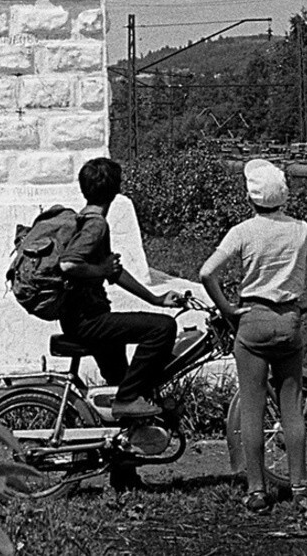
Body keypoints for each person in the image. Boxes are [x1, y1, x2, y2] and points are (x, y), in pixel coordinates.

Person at [200, 158, 307, 514]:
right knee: (291, 407)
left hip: (252, 320)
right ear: (284, 196)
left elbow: (207, 272)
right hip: (289, 321)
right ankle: (299, 487)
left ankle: (256, 490)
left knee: (252, 409)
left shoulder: (242, 231)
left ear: (250, 198)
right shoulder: (300, 229)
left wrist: (227, 308)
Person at [58, 157, 183, 421]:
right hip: (89, 321)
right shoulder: (96, 225)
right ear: (116, 190)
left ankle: (126, 434)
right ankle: (127, 399)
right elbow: (69, 264)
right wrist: (101, 270)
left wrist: (156, 299)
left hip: (86, 318)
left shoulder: (86, 219)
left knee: (122, 381)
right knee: (163, 328)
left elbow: (115, 272)